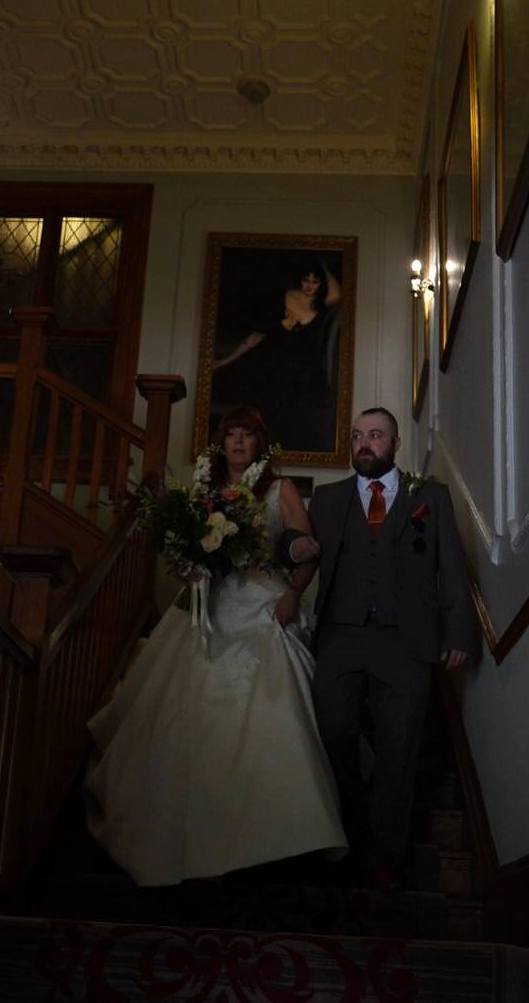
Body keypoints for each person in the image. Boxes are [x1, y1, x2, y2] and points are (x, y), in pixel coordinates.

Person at [83, 406, 346, 886]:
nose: (239, 443)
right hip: (209, 602)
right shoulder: (200, 492)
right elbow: (184, 552)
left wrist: (291, 595)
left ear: (259, 443)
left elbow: (307, 550)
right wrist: (189, 565)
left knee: (273, 665)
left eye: (247, 435)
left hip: (262, 601)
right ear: (220, 444)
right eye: (231, 435)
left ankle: (279, 825)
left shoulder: (278, 490)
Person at [279, 407, 478, 890]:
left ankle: (387, 852)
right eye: (357, 436)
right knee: (333, 734)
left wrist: (457, 632)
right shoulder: (327, 500)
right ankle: (345, 831)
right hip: (341, 639)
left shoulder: (428, 497)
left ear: (395, 445)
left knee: (399, 746)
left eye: (375, 435)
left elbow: (451, 566)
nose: (364, 443)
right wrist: (290, 548)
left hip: (404, 642)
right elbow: (284, 542)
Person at [211, 261, 343, 453]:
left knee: (291, 398)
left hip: (298, 369)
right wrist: (224, 360)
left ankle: (270, 445)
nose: (309, 285)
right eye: (306, 280)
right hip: (267, 360)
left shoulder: (319, 306)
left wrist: (323, 265)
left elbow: (337, 294)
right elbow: (258, 335)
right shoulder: (285, 297)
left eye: (315, 282)